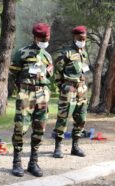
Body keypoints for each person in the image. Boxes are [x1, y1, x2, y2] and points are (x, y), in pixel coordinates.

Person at [9, 23, 53, 177]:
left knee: (39, 129)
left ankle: (33, 162)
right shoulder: (22, 53)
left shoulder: (47, 56)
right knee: (20, 128)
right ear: (35, 37)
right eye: (42, 38)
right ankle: (17, 162)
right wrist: (21, 89)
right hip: (26, 95)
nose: (44, 41)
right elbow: (13, 73)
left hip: (42, 95)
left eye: (46, 38)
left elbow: (49, 74)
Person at [52, 25, 91, 158]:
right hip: (69, 89)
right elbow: (57, 72)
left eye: (84, 38)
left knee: (81, 118)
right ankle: (58, 147)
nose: (83, 40)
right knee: (63, 118)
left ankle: (75, 146)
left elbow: (83, 70)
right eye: (80, 38)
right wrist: (62, 87)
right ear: (74, 37)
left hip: (82, 89)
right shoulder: (66, 53)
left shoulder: (83, 53)